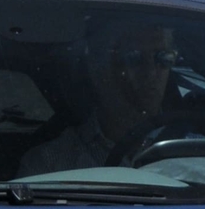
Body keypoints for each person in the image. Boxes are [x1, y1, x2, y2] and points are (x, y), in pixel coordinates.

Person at [18, 19, 183, 176]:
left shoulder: (199, 149)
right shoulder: (50, 166)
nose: (151, 72)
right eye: (134, 58)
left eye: (163, 58)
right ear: (99, 70)